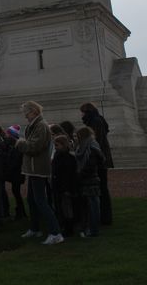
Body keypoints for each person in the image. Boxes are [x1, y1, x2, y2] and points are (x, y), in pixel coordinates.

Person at [17, 101, 64, 245]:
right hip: (33, 168)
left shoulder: (41, 126)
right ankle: (35, 228)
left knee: (41, 201)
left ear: (34, 111)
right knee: (32, 200)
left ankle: (55, 233)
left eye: (27, 113)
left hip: (38, 168)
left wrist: (20, 143)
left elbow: (35, 146)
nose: (25, 116)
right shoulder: (35, 125)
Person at [80, 102, 113, 225]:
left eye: (82, 112)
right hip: (101, 158)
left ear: (87, 112)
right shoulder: (98, 120)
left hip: (98, 160)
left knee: (100, 190)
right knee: (102, 189)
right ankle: (104, 216)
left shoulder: (95, 122)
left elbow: (95, 141)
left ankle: (103, 217)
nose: (81, 115)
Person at [75, 126, 105, 237]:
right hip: (87, 179)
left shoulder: (91, 147)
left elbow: (90, 165)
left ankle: (94, 229)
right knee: (89, 205)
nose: (75, 138)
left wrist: (79, 175)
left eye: (77, 136)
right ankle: (89, 227)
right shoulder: (84, 146)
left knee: (93, 206)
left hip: (90, 179)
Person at [51, 135, 77, 236]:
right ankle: (64, 225)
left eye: (57, 145)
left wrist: (67, 188)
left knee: (67, 207)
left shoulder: (68, 158)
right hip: (59, 185)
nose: (55, 147)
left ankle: (69, 228)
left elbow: (69, 175)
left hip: (65, 187)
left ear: (63, 145)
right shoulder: (59, 156)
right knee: (61, 207)